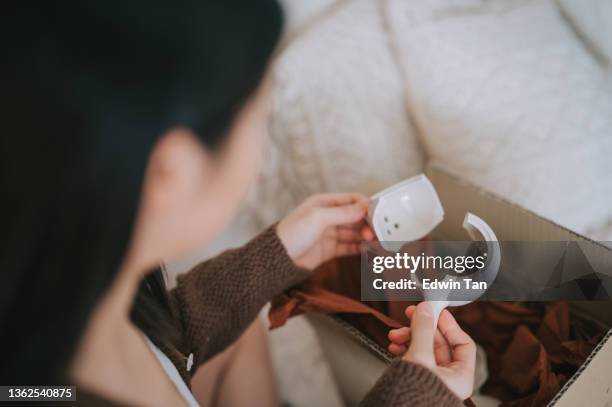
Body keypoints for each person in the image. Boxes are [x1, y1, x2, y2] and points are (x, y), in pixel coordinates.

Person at [0, 1, 476, 406]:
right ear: (171, 171)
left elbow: (168, 344)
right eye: (260, 120)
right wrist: (415, 395)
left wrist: (274, 256)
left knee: (240, 328)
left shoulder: (70, 303)